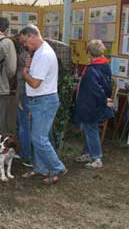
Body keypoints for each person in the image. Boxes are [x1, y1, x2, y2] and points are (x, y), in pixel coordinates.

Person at [19, 24, 67, 184]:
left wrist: (24, 73)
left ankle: (57, 167)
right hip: (40, 100)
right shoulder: (38, 52)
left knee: (39, 138)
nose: (24, 46)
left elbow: (34, 83)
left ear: (32, 36)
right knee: (38, 137)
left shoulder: (44, 55)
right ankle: (41, 168)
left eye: (25, 42)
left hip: (44, 100)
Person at [72, 39, 114, 169]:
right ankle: (88, 153)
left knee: (91, 129)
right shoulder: (105, 65)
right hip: (95, 104)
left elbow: (96, 89)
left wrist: (103, 99)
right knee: (88, 128)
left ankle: (96, 158)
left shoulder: (92, 69)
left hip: (90, 105)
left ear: (89, 53)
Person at [15, 33, 32, 167]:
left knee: (24, 126)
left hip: (25, 95)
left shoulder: (23, 57)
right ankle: (27, 154)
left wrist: (19, 98)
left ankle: (26, 155)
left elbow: (22, 80)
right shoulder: (34, 56)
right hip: (29, 94)